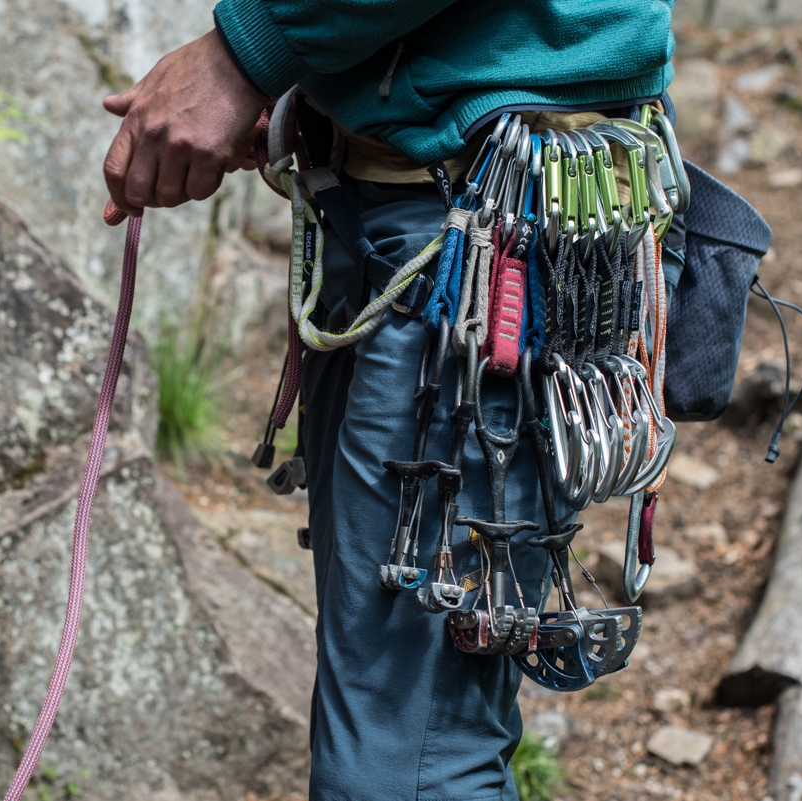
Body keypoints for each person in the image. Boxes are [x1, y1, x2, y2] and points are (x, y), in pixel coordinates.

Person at [102, 4, 674, 799]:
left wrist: (244, 56)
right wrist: (320, 76)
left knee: (400, 765)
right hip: (408, 215)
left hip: (481, 240)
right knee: (389, 730)